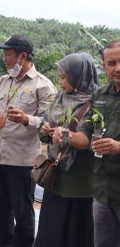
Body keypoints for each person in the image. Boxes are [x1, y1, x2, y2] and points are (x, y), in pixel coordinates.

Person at [0, 34, 56, 247]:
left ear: (23, 56)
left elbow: (49, 122)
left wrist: (27, 119)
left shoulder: (43, 86)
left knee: (23, 213)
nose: (4, 58)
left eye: (7, 54)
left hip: (22, 162)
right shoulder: (3, 81)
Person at [53, 40, 120, 247]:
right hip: (103, 190)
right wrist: (66, 135)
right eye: (111, 63)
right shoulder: (99, 96)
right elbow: (85, 136)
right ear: (104, 65)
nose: (118, 68)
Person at [34, 52, 98, 247]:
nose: (60, 81)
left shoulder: (96, 102)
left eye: (64, 77)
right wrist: (45, 129)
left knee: (74, 231)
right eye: (59, 76)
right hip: (56, 177)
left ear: (79, 77)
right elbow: (46, 124)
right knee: (52, 228)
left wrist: (66, 135)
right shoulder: (60, 98)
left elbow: (89, 140)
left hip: (80, 181)